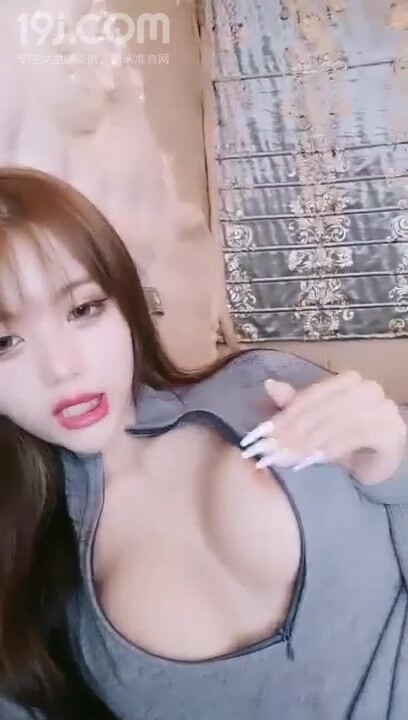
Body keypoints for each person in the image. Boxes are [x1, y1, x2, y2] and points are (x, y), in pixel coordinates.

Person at [0, 166, 407, 720]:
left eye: (83, 309)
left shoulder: (261, 387)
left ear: (125, 304)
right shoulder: (21, 576)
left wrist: (394, 466)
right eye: (5, 341)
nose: (62, 368)